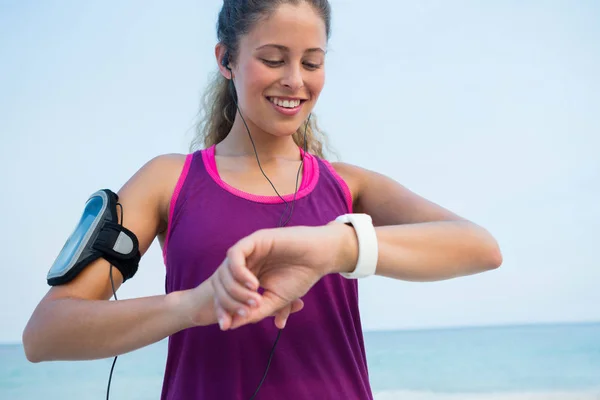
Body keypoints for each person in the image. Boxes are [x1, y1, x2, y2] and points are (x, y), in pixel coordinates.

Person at [22, 1, 503, 399]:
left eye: (312, 62)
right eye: (274, 59)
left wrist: (336, 247)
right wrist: (194, 304)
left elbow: (480, 247)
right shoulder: (169, 181)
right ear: (226, 59)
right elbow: (45, 332)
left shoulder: (348, 187)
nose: (296, 79)